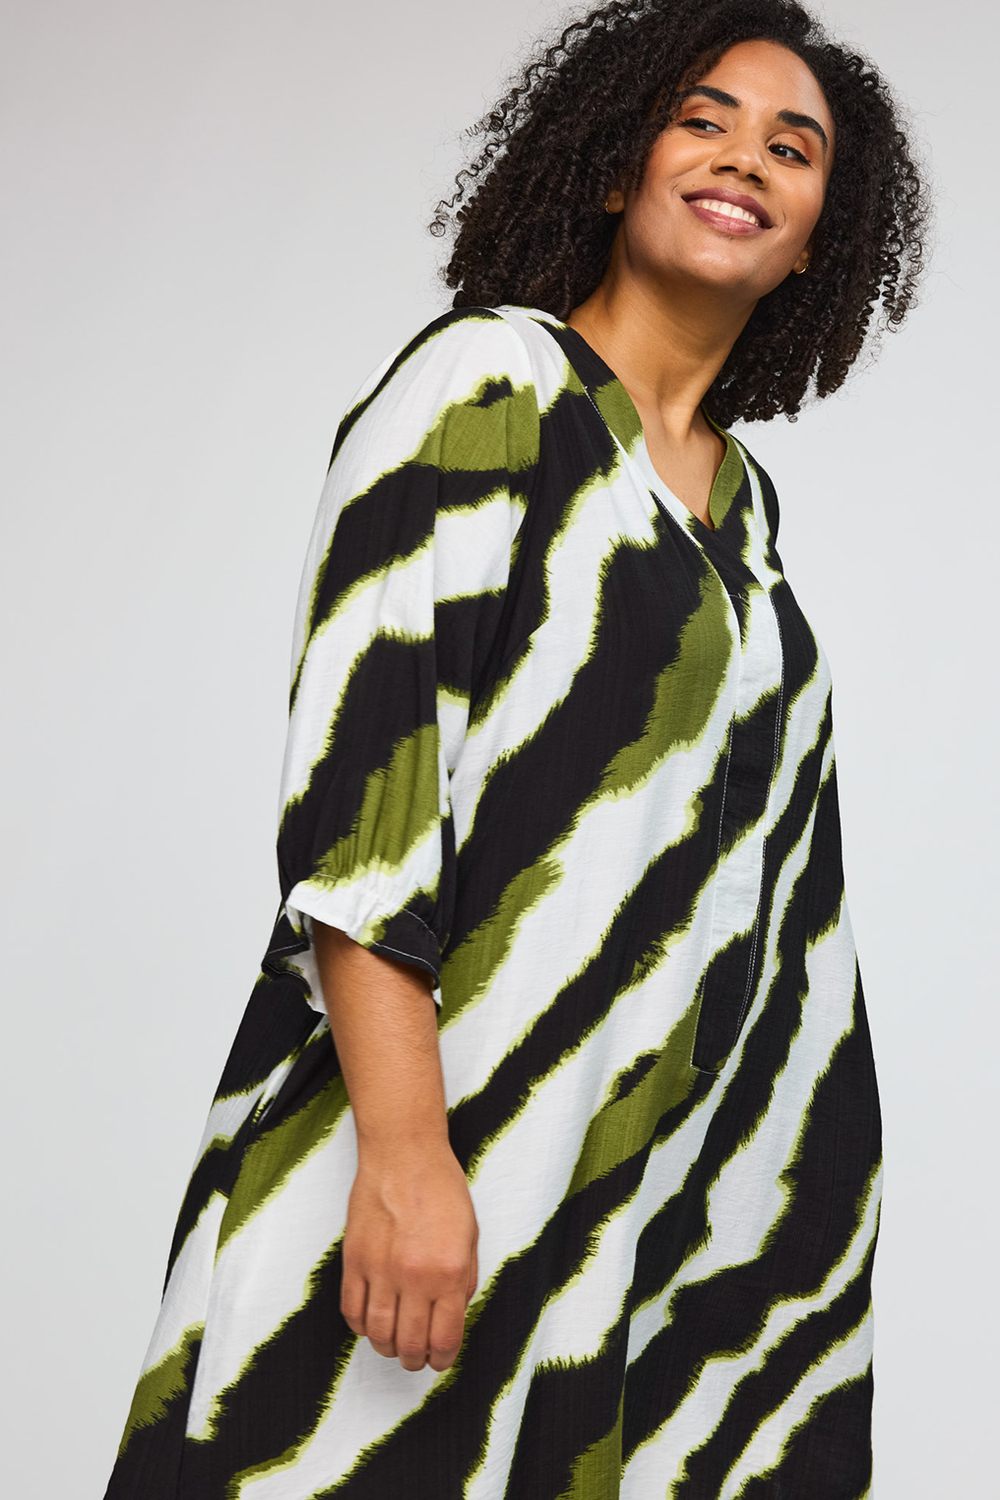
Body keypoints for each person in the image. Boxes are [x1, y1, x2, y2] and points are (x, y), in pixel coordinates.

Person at [103, 1, 930, 1495]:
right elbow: (368, 798)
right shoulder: (489, 387)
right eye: (701, 120)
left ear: (820, 238)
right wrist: (406, 1155)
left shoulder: (745, 511)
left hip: (655, 1219)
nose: (744, 157)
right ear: (617, 164)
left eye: (792, 147)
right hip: (450, 1157)